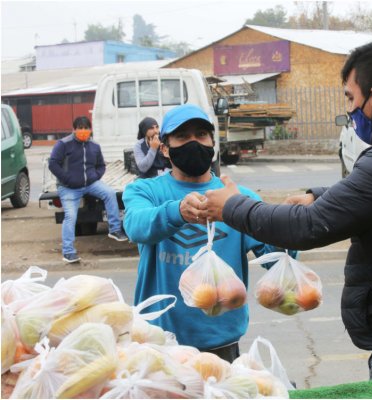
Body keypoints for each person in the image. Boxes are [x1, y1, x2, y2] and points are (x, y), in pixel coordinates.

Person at [199, 36, 372, 396]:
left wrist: (231, 206)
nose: (349, 110)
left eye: (351, 98)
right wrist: (317, 197)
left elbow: (308, 228)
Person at [122, 104, 296, 362]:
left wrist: (287, 226)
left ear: (213, 143)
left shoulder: (239, 197)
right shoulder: (146, 191)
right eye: (182, 136)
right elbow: (136, 226)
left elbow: (276, 259)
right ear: (166, 148)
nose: (194, 142)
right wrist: (177, 212)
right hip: (157, 344)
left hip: (220, 345)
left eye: (201, 135)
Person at [48, 116, 128, 264]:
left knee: (110, 193)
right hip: (69, 188)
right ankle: (68, 252)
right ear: (74, 129)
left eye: (86, 128)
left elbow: (101, 166)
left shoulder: (94, 146)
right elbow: (53, 164)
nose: (83, 131)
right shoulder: (63, 144)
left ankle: (115, 229)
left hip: (90, 184)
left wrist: (95, 176)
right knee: (71, 216)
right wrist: (67, 179)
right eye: (80, 128)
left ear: (90, 130)